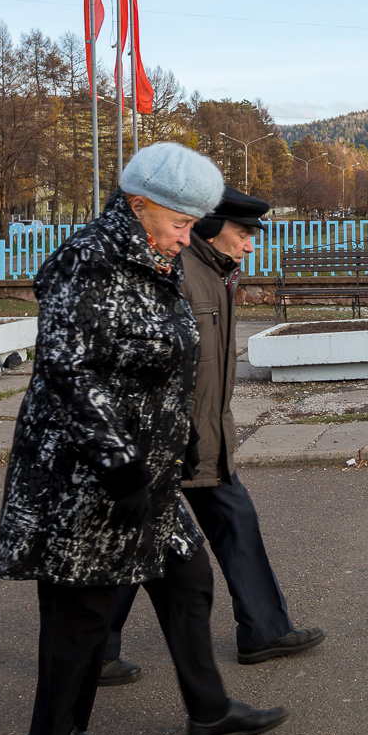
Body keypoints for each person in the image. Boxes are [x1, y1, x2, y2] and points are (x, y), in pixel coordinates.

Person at [0, 144, 288, 735]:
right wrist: (119, 463)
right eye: (183, 221)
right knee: (82, 613)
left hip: (145, 471)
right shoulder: (92, 260)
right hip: (92, 474)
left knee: (188, 578)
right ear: (139, 203)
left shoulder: (153, 257)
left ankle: (209, 712)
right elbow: (70, 371)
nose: (191, 234)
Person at [100, 187, 324, 684]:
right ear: (209, 226)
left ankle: (264, 630)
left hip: (204, 433)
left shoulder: (214, 274)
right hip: (171, 438)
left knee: (230, 520)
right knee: (142, 541)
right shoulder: (181, 274)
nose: (250, 246)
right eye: (243, 234)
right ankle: (95, 651)